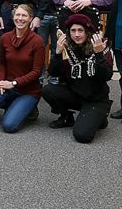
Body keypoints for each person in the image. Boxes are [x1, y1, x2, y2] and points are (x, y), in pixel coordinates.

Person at [42, 14, 113, 143]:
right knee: (48, 90)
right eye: (73, 31)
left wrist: (99, 55)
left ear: (87, 32)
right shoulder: (67, 47)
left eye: (80, 30)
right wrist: (57, 53)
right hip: (75, 94)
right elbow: (53, 72)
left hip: (96, 99)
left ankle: (100, 117)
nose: (77, 34)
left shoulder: (100, 46)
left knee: (82, 135)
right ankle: (66, 117)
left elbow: (107, 76)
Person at [0, 4, 45, 133]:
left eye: (24, 15)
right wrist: (0, 82)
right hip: (9, 87)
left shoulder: (37, 41)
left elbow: (37, 72)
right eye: (17, 15)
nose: (20, 18)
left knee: (9, 126)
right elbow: (2, 64)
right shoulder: (4, 38)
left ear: (30, 18)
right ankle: (16, 106)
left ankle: (30, 107)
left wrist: (14, 83)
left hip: (29, 91)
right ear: (13, 17)